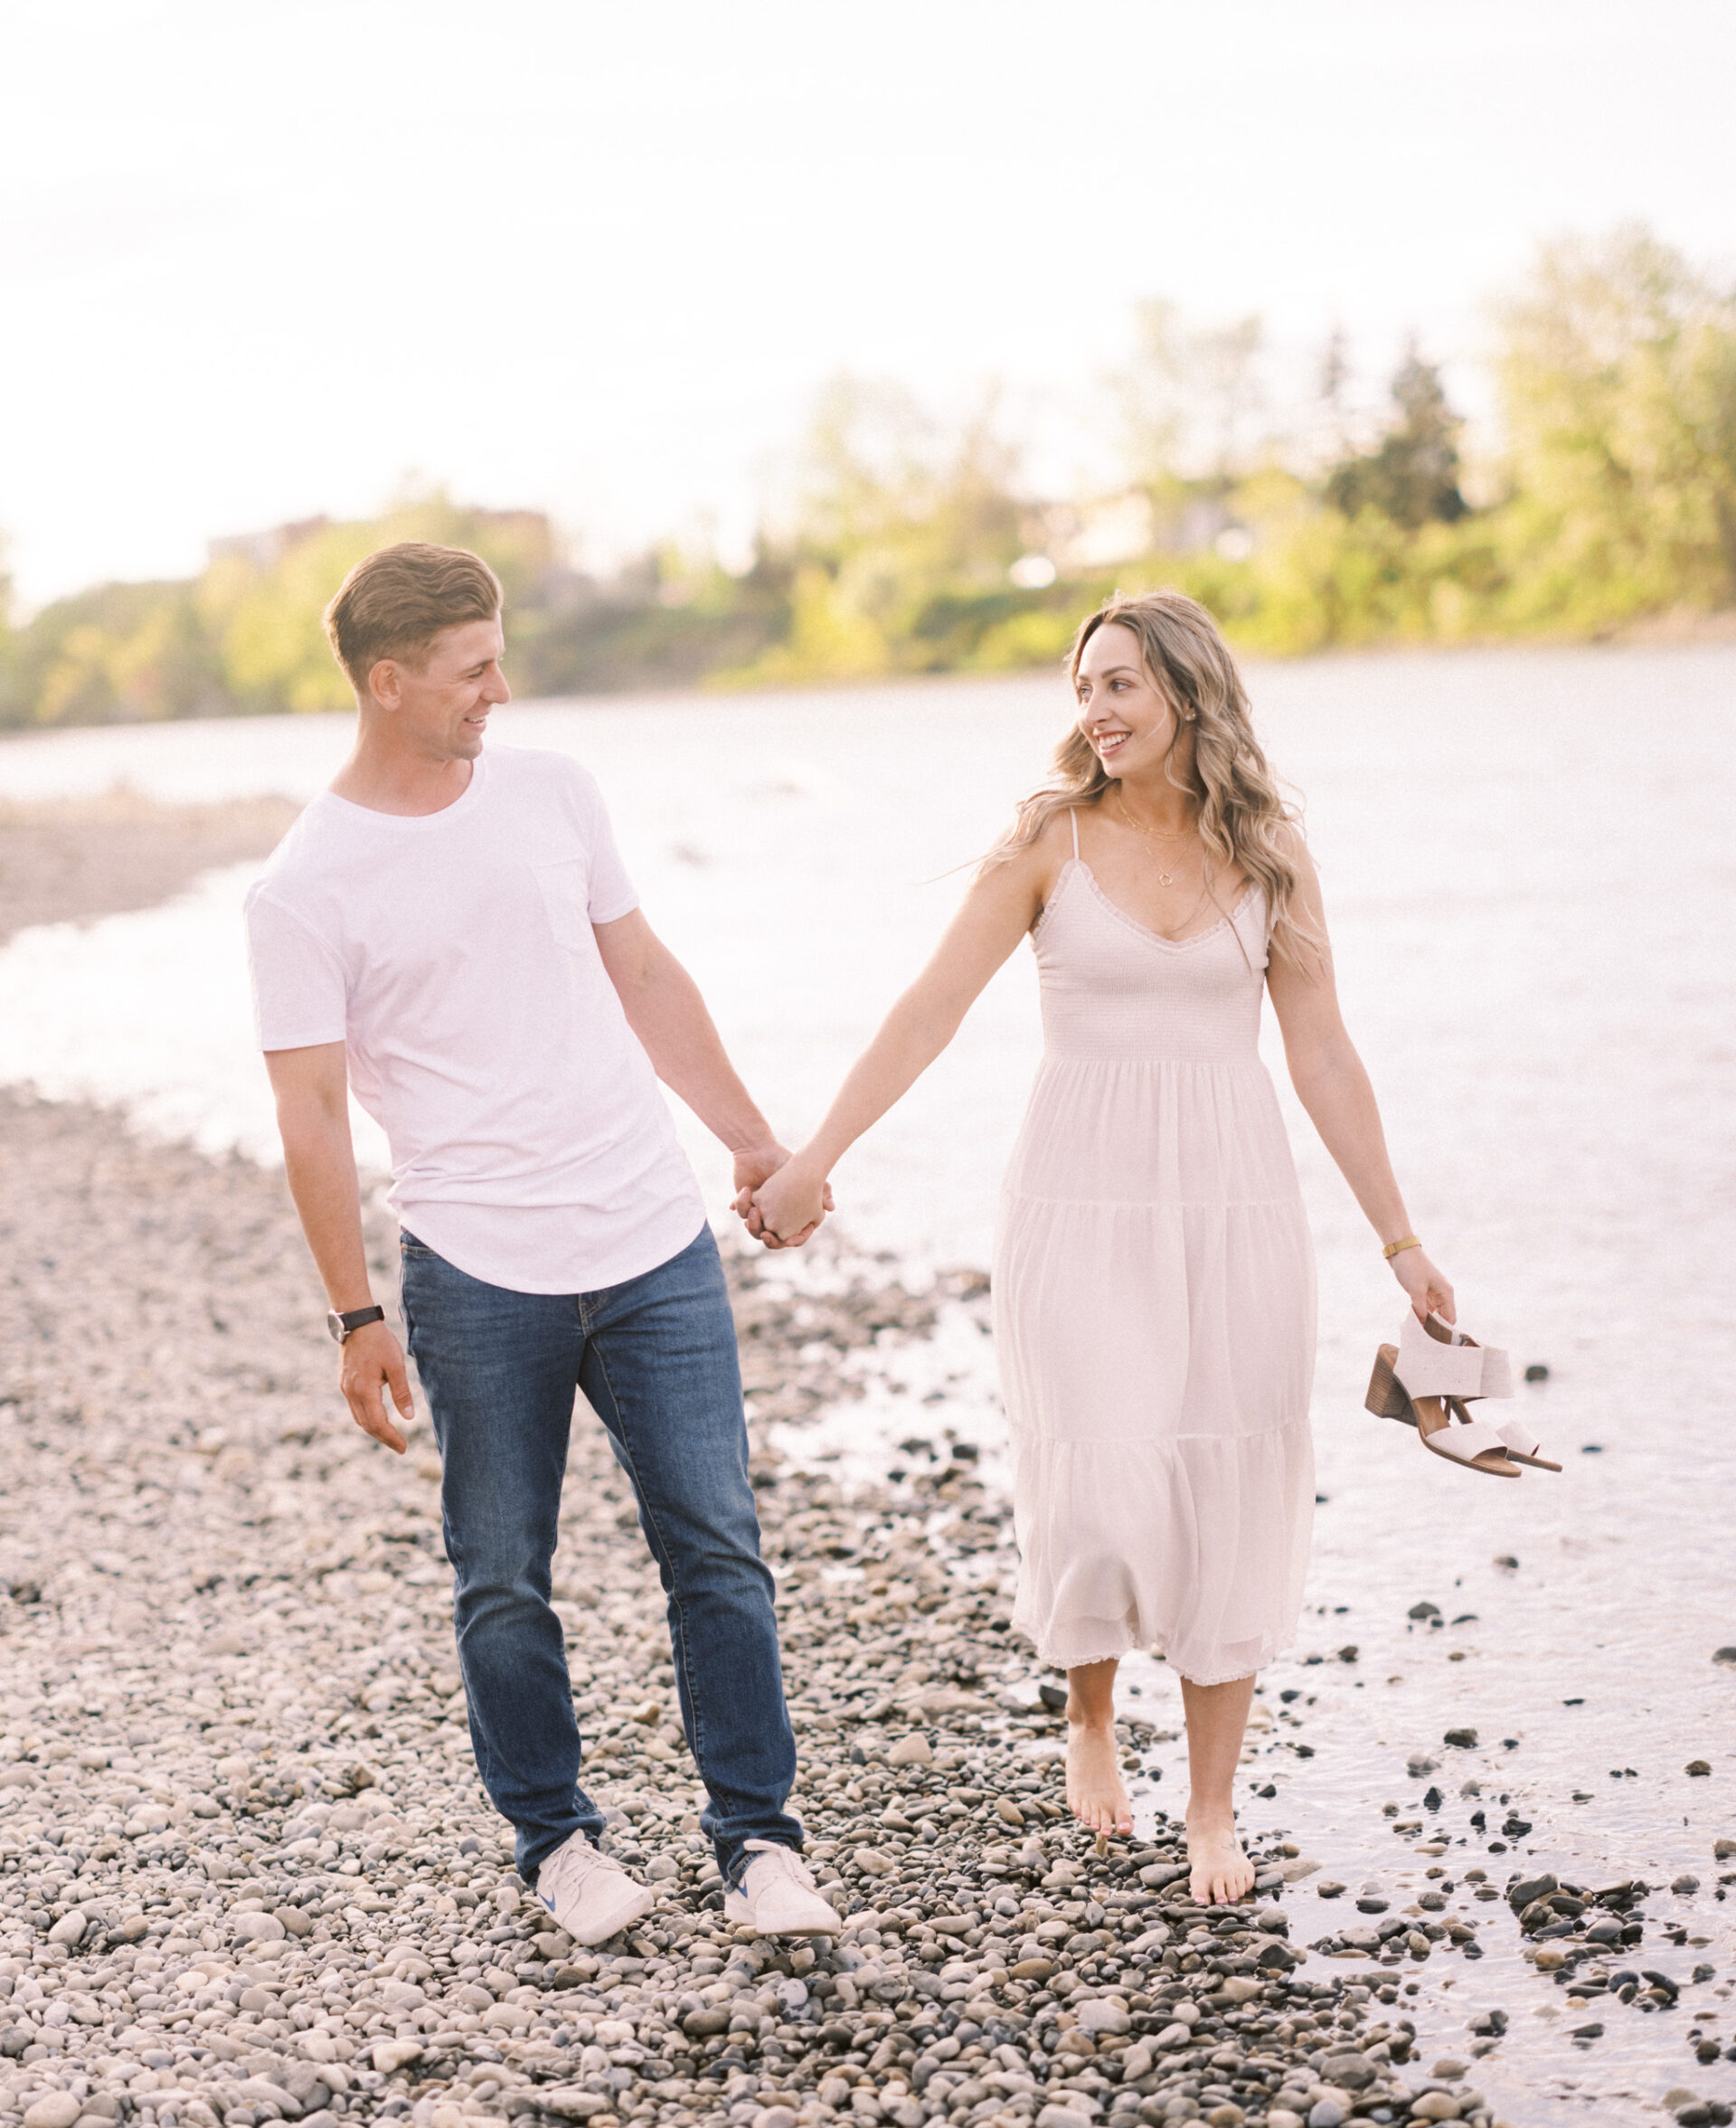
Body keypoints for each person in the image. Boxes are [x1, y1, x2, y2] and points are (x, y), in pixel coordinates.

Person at [745, 589, 1456, 1905]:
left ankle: (1211, 1804)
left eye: (1121, 684)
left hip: (1235, 1208)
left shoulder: (1269, 851)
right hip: (1078, 1207)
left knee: (1223, 1489)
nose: (1097, 712)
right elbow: (927, 1011)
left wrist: (1401, 1241)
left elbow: (1324, 1051)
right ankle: (1087, 1711)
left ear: (1188, 691)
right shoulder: (1046, 841)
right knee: (1107, 1488)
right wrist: (812, 1160)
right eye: (1085, 689)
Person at [243, 540, 839, 1946]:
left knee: (720, 1550)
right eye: (470, 670)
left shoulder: (555, 792)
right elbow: (311, 1115)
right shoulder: (304, 886)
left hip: (650, 1238)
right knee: (504, 1574)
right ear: (388, 684)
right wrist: (354, 1318)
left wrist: (754, 1142)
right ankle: (557, 1842)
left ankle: (759, 1844)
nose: (499, 689)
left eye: (498, 658)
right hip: (475, 1272)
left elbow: (643, 971)